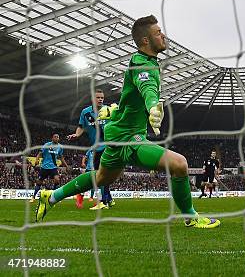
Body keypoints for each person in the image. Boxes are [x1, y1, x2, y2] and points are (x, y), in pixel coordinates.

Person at [35, 15, 220, 229]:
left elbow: (131, 98)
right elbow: (147, 88)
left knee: (102, 177)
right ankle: (191, 216)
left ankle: (50, 197)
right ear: (145, 41)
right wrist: (152, 106)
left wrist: (114, 111)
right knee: (179, 164)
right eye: (158, 32)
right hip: (129, 138)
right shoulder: (141, 64)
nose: (163, 35)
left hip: (118, 134)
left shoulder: (146, 62)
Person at [67, 88, 114, 210]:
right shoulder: (85, 112)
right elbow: (81, 127)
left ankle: (102, 201)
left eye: (102, 98)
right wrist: (77, 135)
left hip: (108, 146)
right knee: (100, 176)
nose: (100, 100)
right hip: (96, 148)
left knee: (100, 175)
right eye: (98, 97)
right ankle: (105, 200)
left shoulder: (108, 110)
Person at [30, 134, 66, 202]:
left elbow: (61, 157)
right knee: (39, 182)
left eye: (58, 137)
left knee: (57, 179)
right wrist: (37, 160)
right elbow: (40, 153)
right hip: (44, 166)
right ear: (52, 138)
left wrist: (66, 166)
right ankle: (33, 197)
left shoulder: (60, 147)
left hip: (53, 167)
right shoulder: (47, 145)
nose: (56, 138)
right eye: (55, 137)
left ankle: (55, 197)